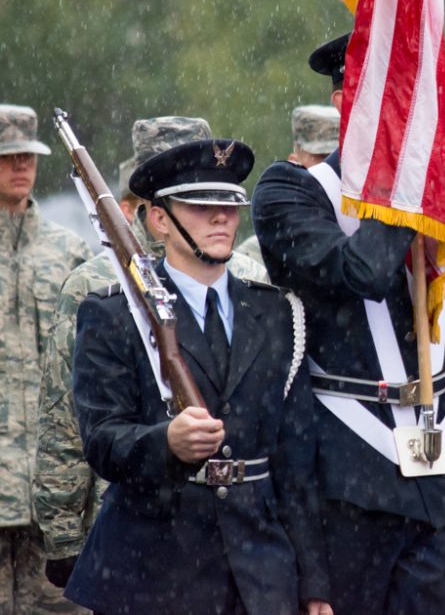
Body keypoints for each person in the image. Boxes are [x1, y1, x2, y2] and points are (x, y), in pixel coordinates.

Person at [250, 35, 445, 613]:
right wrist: (406, 185)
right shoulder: (291, 191)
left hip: (437, 490)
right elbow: (359, 270)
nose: (403, 115)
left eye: (411, 101)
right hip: (346, 486)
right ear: (345, 100)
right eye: (386, 97)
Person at [64, 139, 331, 615]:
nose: (221, 218)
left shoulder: (276, 313)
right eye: (200, 205)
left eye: (229, 205)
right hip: (154, 564)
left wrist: (314, 584)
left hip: (259, 567)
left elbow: (296, 460)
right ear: (159, 220)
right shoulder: (114, 314)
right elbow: (102, 440)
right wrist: (165, 442)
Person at [32, 117, 268, 591]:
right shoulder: (98, 290)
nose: (214, 213)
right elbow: (73, 422)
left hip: (238, 539)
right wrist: (64, 535)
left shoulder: (248, 282)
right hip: (133, 521)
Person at [0, 103, 91, 613]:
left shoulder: (69, 254)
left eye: (27, 156)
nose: (21, 166)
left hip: (51, 485)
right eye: (8, 155)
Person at [236, 104, 340, 264]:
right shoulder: (255, 255)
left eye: (342, 160)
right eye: (325, 159)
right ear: (295, 163)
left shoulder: (374, 236)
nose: (336, 169)